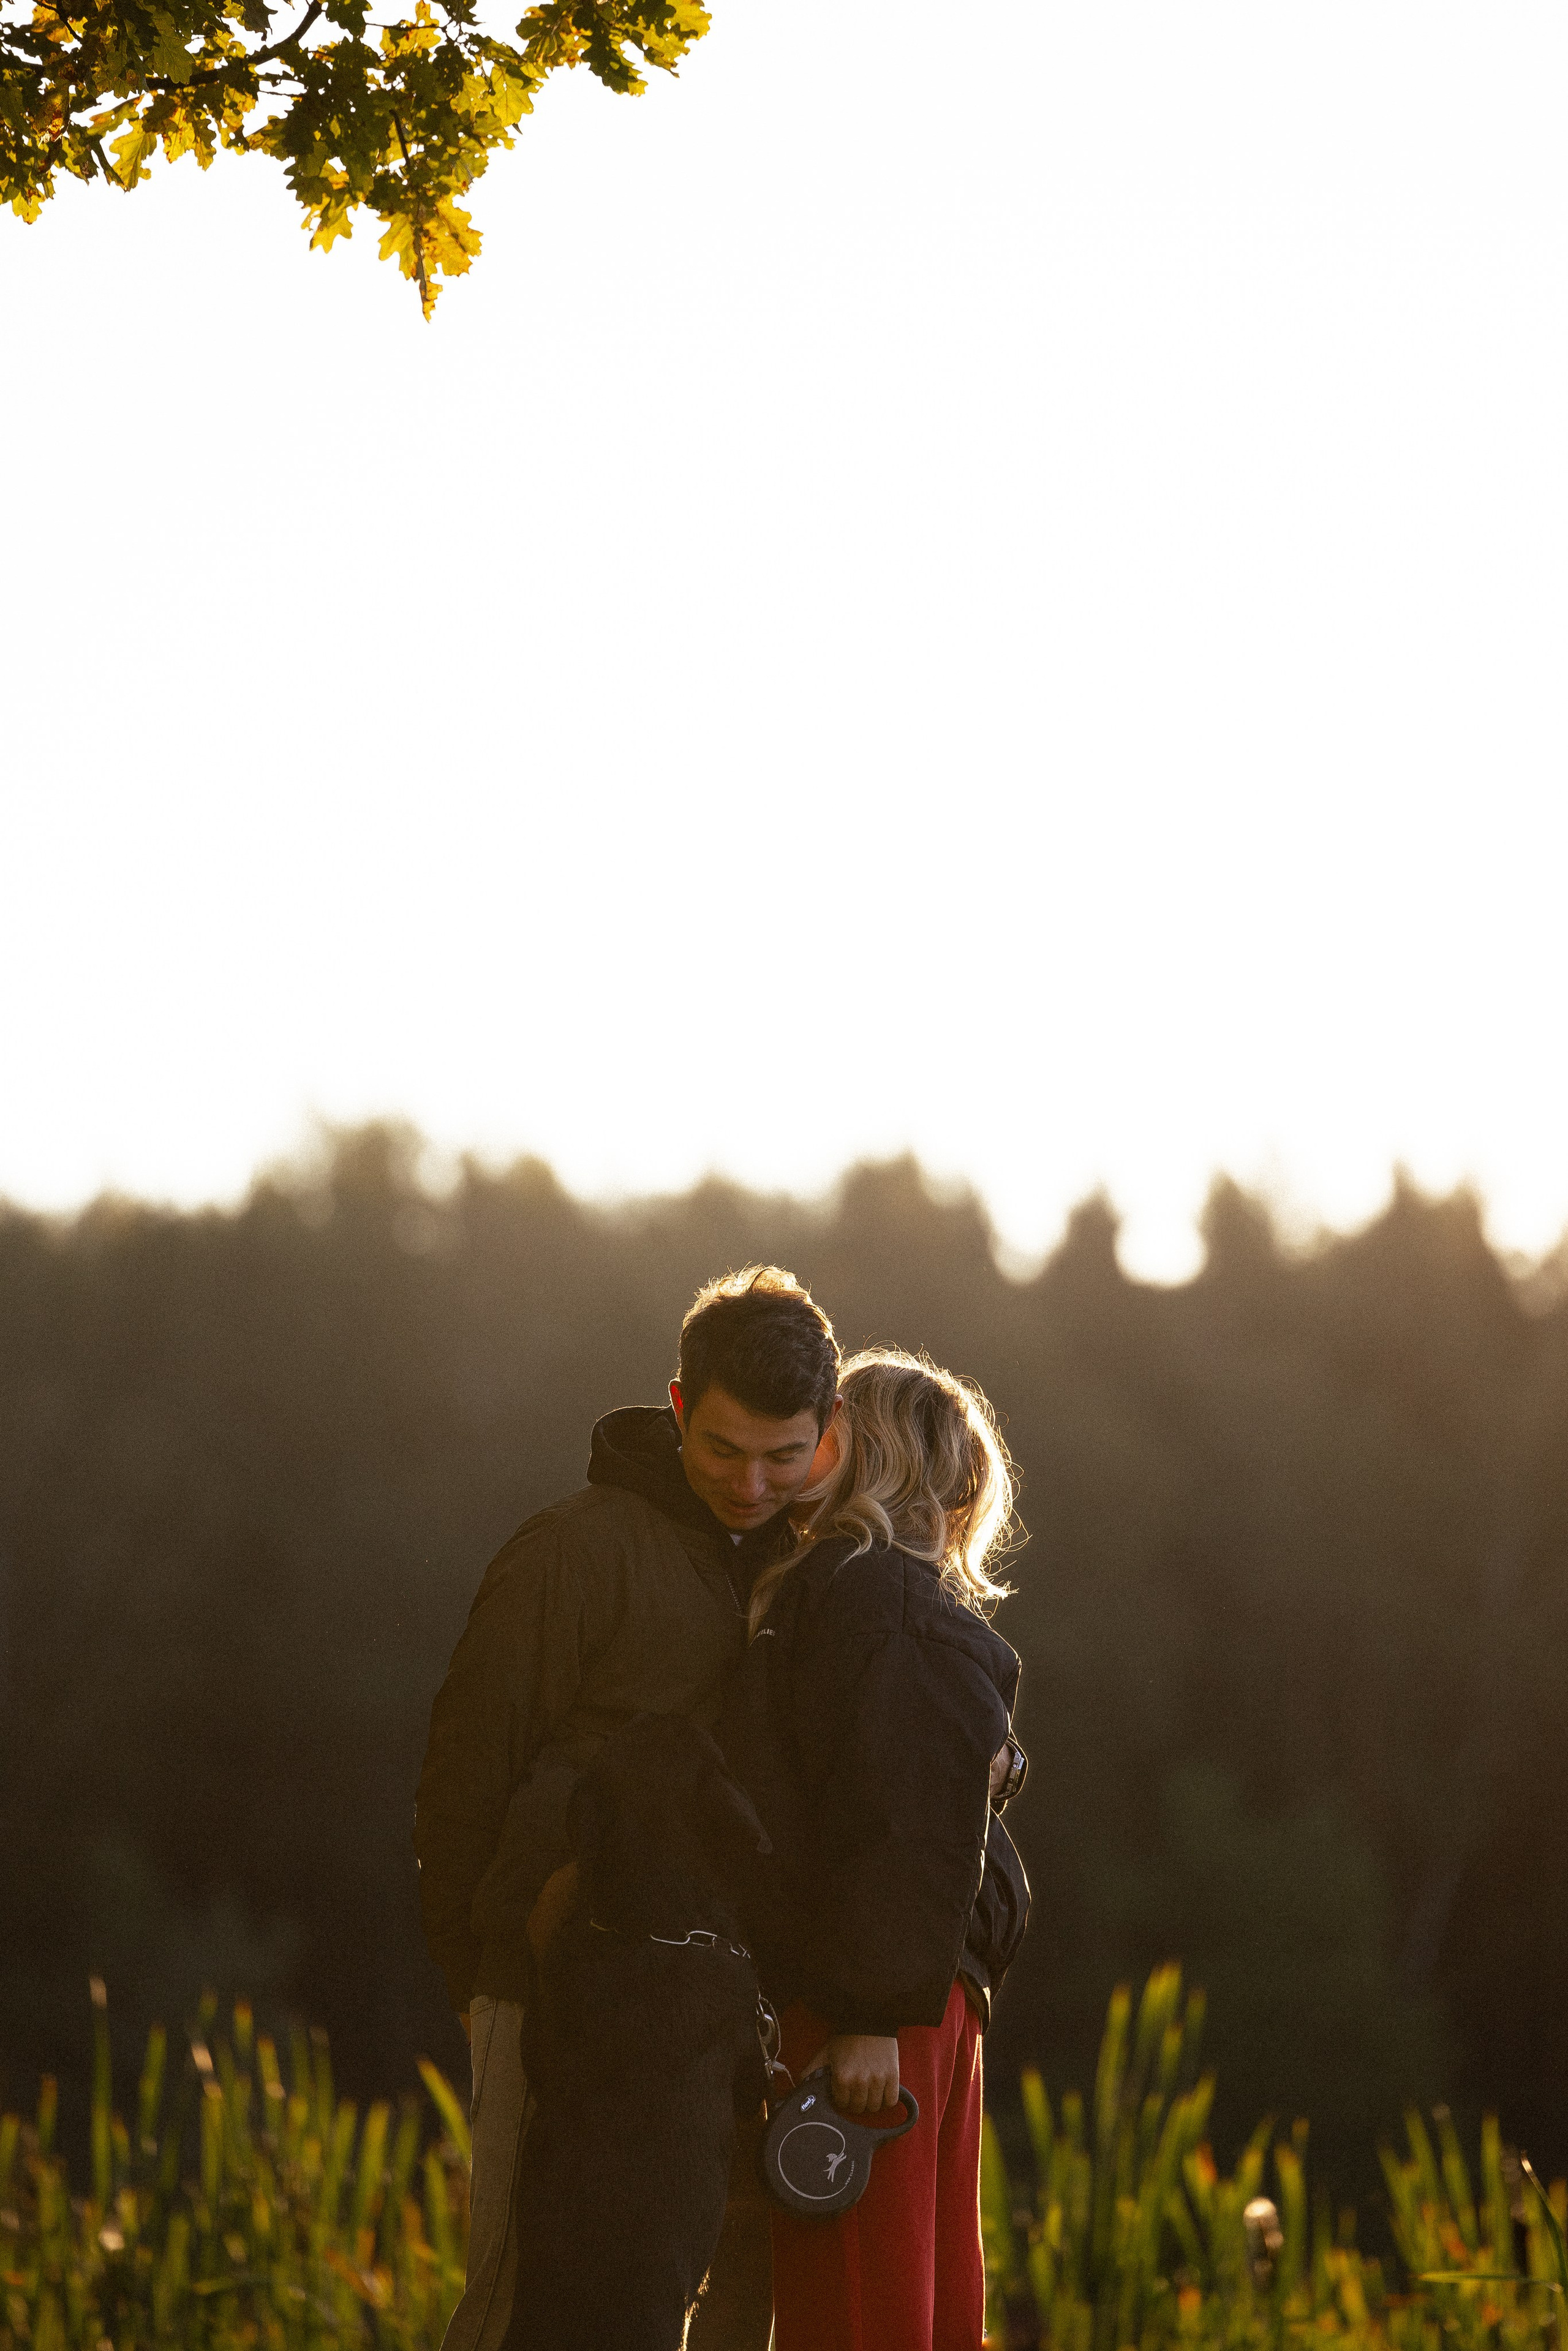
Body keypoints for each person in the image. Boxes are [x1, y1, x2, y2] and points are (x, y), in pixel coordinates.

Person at [413, 1265, 842, 2351]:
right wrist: (481, 1983)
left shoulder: (807, 1571)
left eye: (782, 1456)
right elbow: (465, 1773)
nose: (751, 1484)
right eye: (724, 1449)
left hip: (723, 2012)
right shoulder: (575, 1549)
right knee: (520, 2304)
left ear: (827, 1435)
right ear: (679, 1407)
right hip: (550, 1985)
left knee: (714, 2320)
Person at [718, 1347, 1030, 2351]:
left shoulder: (878, 1603)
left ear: (856, 1450)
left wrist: (865, 2016)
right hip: (911, 2001)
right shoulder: (881, 1601)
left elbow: (899, 1822)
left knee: (862, 2309)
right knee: (914, 2310)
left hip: (877, 2015)